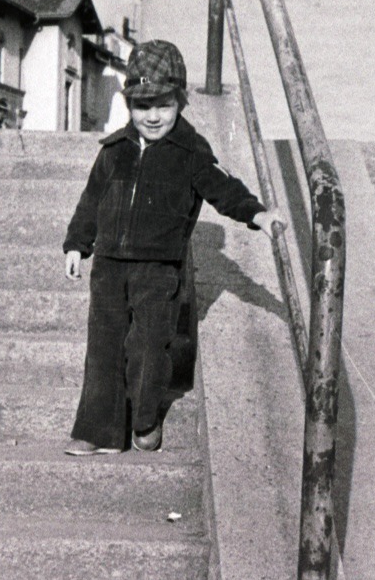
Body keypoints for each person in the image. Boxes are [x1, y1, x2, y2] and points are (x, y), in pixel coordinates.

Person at [63, 39, 282, 454]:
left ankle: (145, 420)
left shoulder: (190, 151)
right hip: (109, 265)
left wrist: (258, 215)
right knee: (104, 347)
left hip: (158, 269)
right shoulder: (114, 150)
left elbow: (223, 189)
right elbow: (92, 200)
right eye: (143, 106)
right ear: (129, 104)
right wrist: (77, 245)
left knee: (148, 346)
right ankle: (98, 431)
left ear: (180, 101)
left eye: (163, 105)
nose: (153, 116)